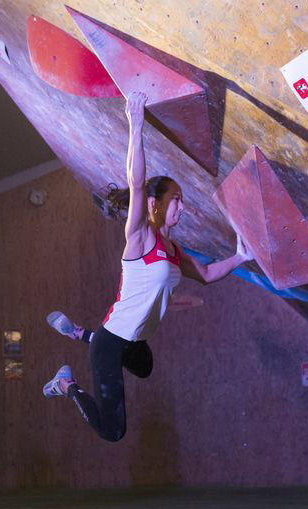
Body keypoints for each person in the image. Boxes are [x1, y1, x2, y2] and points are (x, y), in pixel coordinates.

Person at [42, 92, 254, 443]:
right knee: (113, 431)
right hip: (111, 343)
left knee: (144, 367)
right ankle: (65, 384)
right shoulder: (140, 237)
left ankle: (79, 333)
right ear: (155, 204)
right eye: (176, 201)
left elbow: (206, 275)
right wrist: (135, 124)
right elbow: (136, 183)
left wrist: (241, 257)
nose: (182, 208)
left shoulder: (174, 250)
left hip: (135, 342)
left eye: (183, 202)